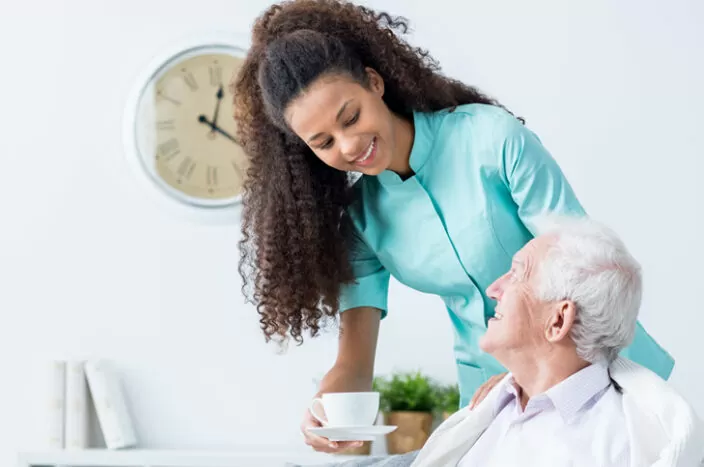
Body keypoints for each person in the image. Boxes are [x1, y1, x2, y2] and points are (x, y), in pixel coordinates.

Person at [231, 0, 674, 453]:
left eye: (351, 117)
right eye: (323, 142)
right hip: (491, 401)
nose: (349, 145)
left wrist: (532, 370)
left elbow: (588, 269)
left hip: (600, 379)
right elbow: (355, 362)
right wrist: (331, 405)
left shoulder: (489, 139)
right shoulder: (362, 221)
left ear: (374, 83)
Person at [408, 216, 703, 467]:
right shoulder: (486, 413)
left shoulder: (613, 445)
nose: (493, 289)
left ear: (558, 321)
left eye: (516, 274)